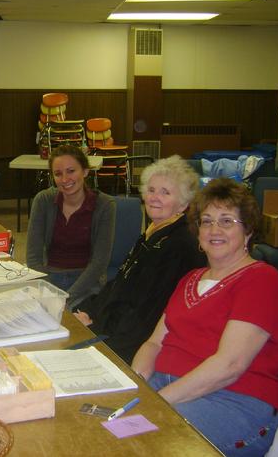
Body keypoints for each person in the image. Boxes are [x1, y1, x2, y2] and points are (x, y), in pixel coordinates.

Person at [132, 178, 278, 457]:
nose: (215, 230)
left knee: (141, 444)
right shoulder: (190, 278)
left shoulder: (262, 280)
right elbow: (154, 343)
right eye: (207, 221)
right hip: (166, 390)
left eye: (227, 221)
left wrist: (156, 403)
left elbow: (230, 365)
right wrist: (137, 384)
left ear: (248, 231)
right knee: (98, 425)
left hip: (232, 400)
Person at [74, 155, 206, 363]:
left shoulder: (180, 245)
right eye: (151, 190)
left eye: (166, 192)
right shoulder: (154, 232)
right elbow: (121, 283)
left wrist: (96, 327)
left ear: (183, 204)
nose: (155, 197)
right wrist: (88, 310)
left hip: (135, 343)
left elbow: (149, 311)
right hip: (114, 325)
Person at [26, 144, 115, 310]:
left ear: (85, 171)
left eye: (71, 171)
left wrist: (66, 298)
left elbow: (99, 263)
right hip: (49, 278)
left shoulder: (104, 205)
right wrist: (49, 294)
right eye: (58, 174)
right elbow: (33, 258)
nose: (65, 179)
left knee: (75, 319)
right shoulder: (43, 201)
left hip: (86, 281)